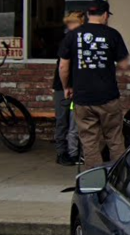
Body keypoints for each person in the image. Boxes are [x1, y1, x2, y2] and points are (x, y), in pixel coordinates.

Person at [59, 0, 130, 170]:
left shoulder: (73, 35)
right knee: (114, 138)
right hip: (108, 96)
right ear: (105, 15)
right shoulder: (112, 34)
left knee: (89, 142)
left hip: (83, 97)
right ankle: (120, 176)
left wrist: (67, 87)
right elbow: (124, 63)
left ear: (88, 14)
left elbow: (63, 67)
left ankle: (95, 179)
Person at [53, 10, 85, 166]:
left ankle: (73, 151)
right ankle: (61, 152)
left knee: (72, 121)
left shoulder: (78, 39)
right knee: (63, 119)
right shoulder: (68, 40)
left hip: (74, 85)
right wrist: (66, 86)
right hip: (63, 86)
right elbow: (63, 67)